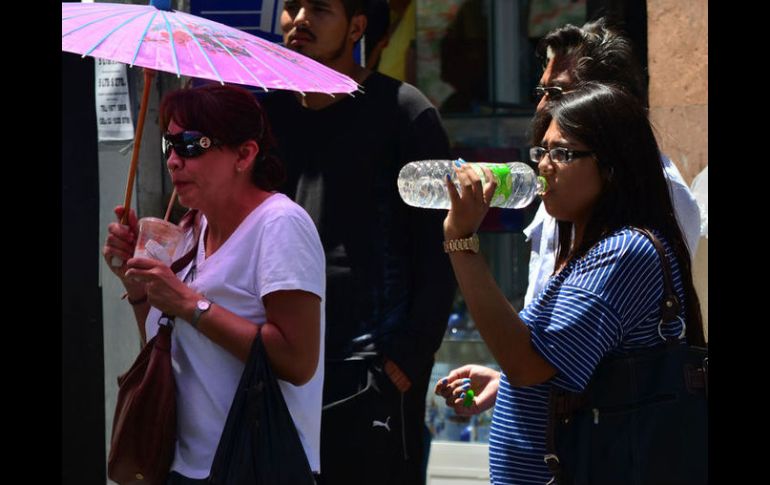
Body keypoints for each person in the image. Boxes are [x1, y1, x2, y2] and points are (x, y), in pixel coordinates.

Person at [436, 16, 706, 425]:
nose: (543, 105)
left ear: (608, 103)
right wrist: (506, 380)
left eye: (558, 92)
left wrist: (461, 242)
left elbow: (548, 359)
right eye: (541, 91)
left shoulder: (647, 211)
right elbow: (554, 344)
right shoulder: (565, 187)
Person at [260, 1, 456, 483]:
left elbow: (441, 243)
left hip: (370, 369)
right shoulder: (265, 113)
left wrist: (408, 356)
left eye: (319, 8)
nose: (298, 19)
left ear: (357, 27)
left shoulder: (404, 112)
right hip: (280, 359)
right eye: (290, 6)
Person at [102, 84, 326, 483]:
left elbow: (297, 360)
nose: (173, 161)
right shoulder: (190, 228)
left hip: (255, 462)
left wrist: (189, 303)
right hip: (183, 464)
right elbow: (166, 342)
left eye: (190, 145)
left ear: (244, 154)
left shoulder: (280, 225)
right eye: (169, 145)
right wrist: (139, 288)